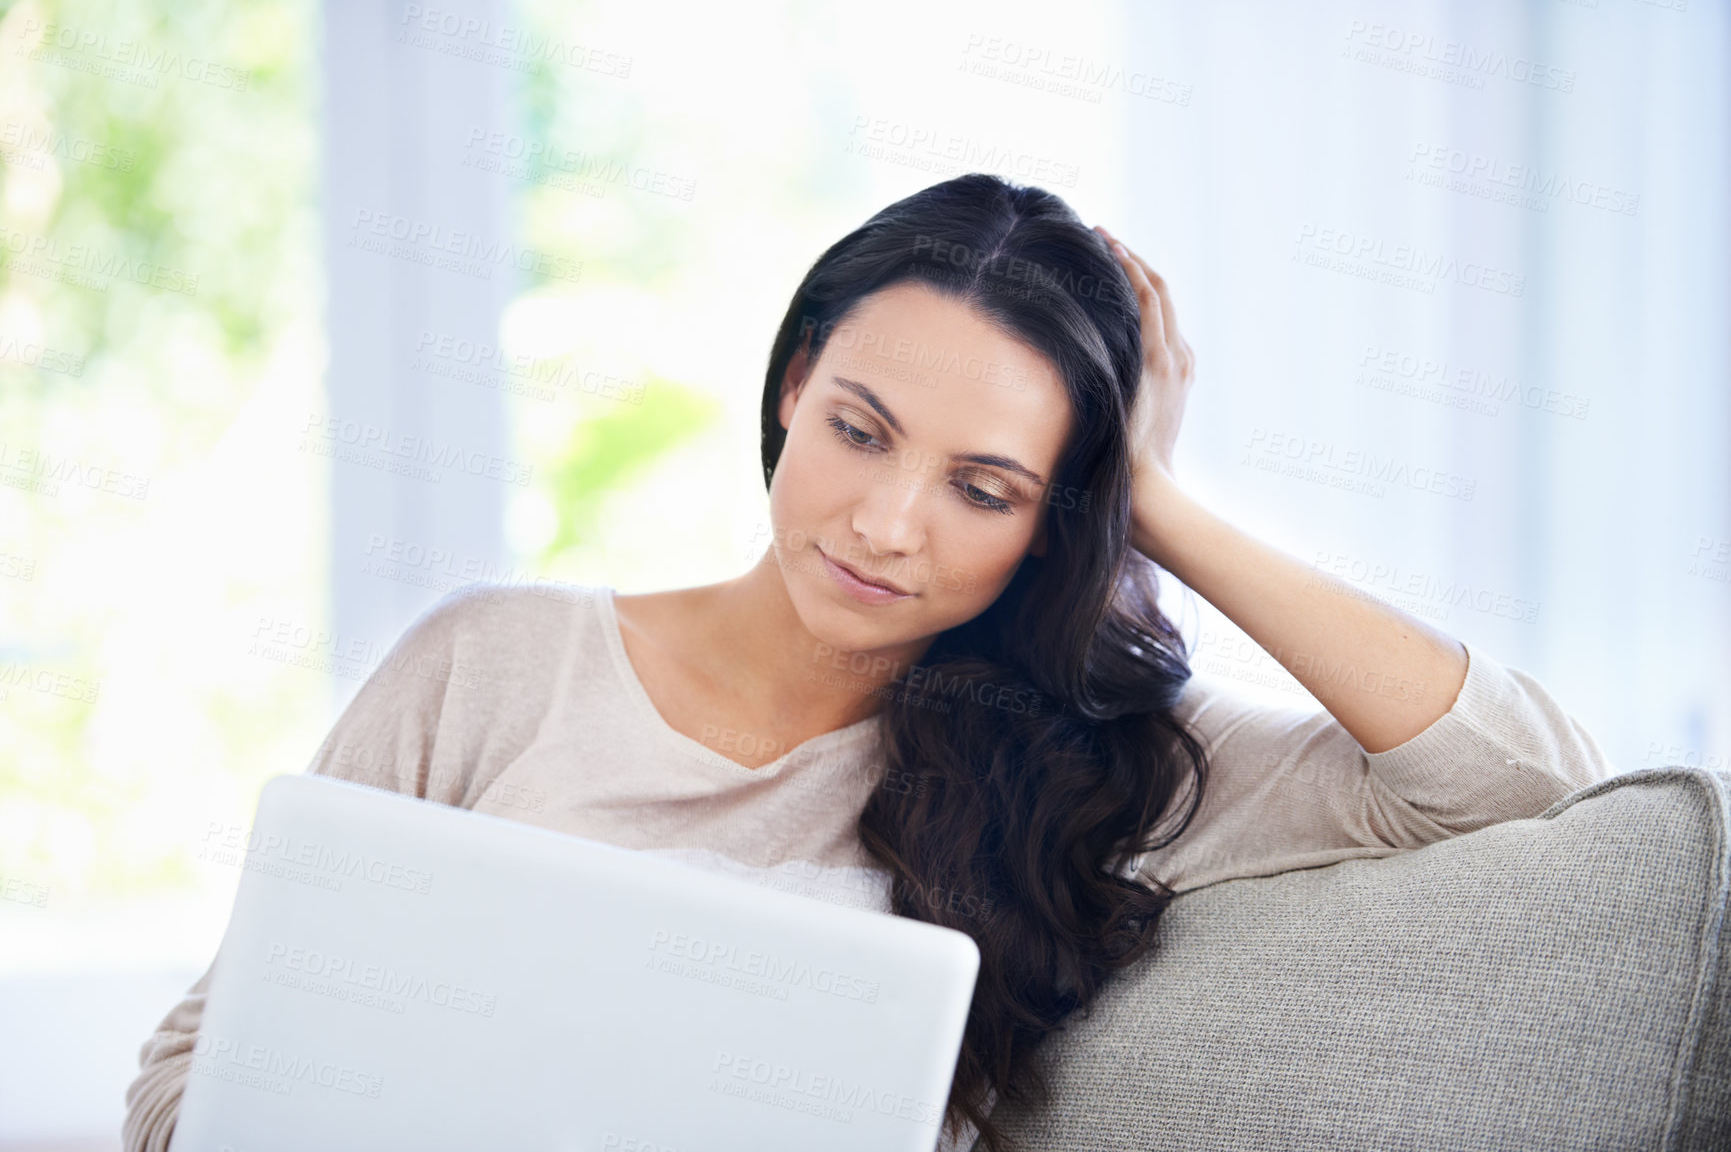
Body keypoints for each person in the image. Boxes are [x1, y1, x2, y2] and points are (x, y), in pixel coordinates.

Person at [122, 174, 1613, 1152]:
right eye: (859, 429)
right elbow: (188, 1077)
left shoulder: (1099, 769)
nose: (887, 526)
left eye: (986, 489)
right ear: (791, 387)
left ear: (1054, 524)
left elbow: (1526, 776)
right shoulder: (488, 670)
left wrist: (1155, 495)